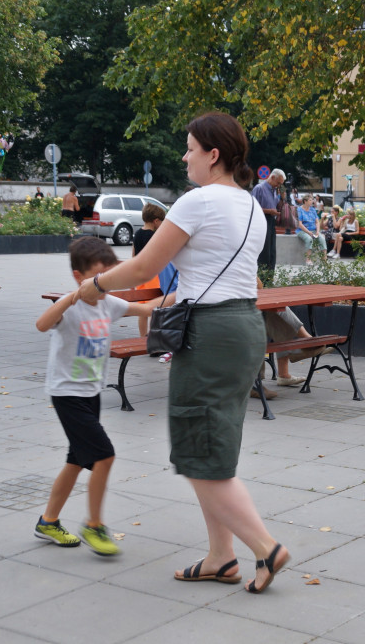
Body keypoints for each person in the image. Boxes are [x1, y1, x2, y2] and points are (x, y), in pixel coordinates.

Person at [74, 110, 290, 593]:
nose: (184, 156)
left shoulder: (197, 201)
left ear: (213, 155)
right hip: (243, 327)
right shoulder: (253, 206)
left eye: (190, 148)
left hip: (209, 333)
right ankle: (221, 556)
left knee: (198, 451)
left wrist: (95, 284)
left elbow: (143, 266)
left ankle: (266, 548)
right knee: (212, 446)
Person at [34, 237, 155, 555]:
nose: (107, 284)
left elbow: (146, 307)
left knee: (75, 461)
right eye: (101, 277)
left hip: (91, 393)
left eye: (109, 276)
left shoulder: (108, 303)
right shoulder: (70, 307)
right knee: (104, 455)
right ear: (80, 276)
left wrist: (184, 296)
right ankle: (94, 525)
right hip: (67, 394)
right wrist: (73, 297)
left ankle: (48, 522)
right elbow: (42, 324)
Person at [132, 203, 179, 355]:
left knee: (142, 311)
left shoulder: (138, 234)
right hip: (152, 276)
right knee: (155, 309)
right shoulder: (154, 236)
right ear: (156, 221)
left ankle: (142, 338)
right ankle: (153, 339)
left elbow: (134, 255)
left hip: (140, 277)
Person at [251, 169, 285, 274]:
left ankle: (269, 277)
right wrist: (269, 211)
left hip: (271, 222)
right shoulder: (259, 188)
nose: (278, 185)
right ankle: (262, 277)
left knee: (272, 252)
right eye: (278, 183)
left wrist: (282, 198)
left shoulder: (274, 191)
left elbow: (276, 206)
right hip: (261, 221)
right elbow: (252, 207)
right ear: (272, 177)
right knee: (264, 252)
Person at [295, 194, 327, 264]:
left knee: (322, 238)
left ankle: (324, 260)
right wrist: (309, 232)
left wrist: (318, 231)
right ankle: (308, 260)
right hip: (302, 230)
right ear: (305, 201)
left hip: (314, 230)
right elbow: (300, 224)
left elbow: (317, 222)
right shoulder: (299, 210)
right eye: (310, 200)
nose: (312, 201)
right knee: (309, 239)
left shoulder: (313, 209)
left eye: (312, 200)